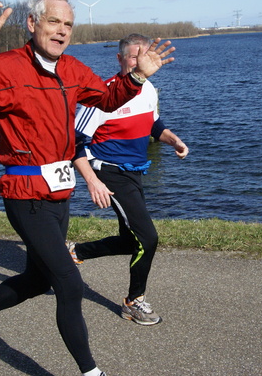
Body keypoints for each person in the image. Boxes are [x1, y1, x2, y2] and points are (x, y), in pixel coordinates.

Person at [0, 0, 175, 376]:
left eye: (68, 24)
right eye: (54, 22)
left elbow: (108, 97)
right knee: (68, 282)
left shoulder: (73, 69)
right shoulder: (6, 68)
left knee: (37, 279)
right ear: (32, 24)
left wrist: (136, 76)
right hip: (24, 194)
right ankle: (91, 372)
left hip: (59, 194)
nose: (62, 31)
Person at [69, 33, 188, 326]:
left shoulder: (149, 90)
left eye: (144, 55)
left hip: (134, 171)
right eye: (133, 56)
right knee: (147, 238)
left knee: (130, 239)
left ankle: (77, 251)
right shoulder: (102, 95)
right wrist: (92, 180)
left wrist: (172, 140)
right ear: (120, 59)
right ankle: (134, 302)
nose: (140, 62)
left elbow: (153, 123)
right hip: (108, 172)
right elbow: (72, 142)